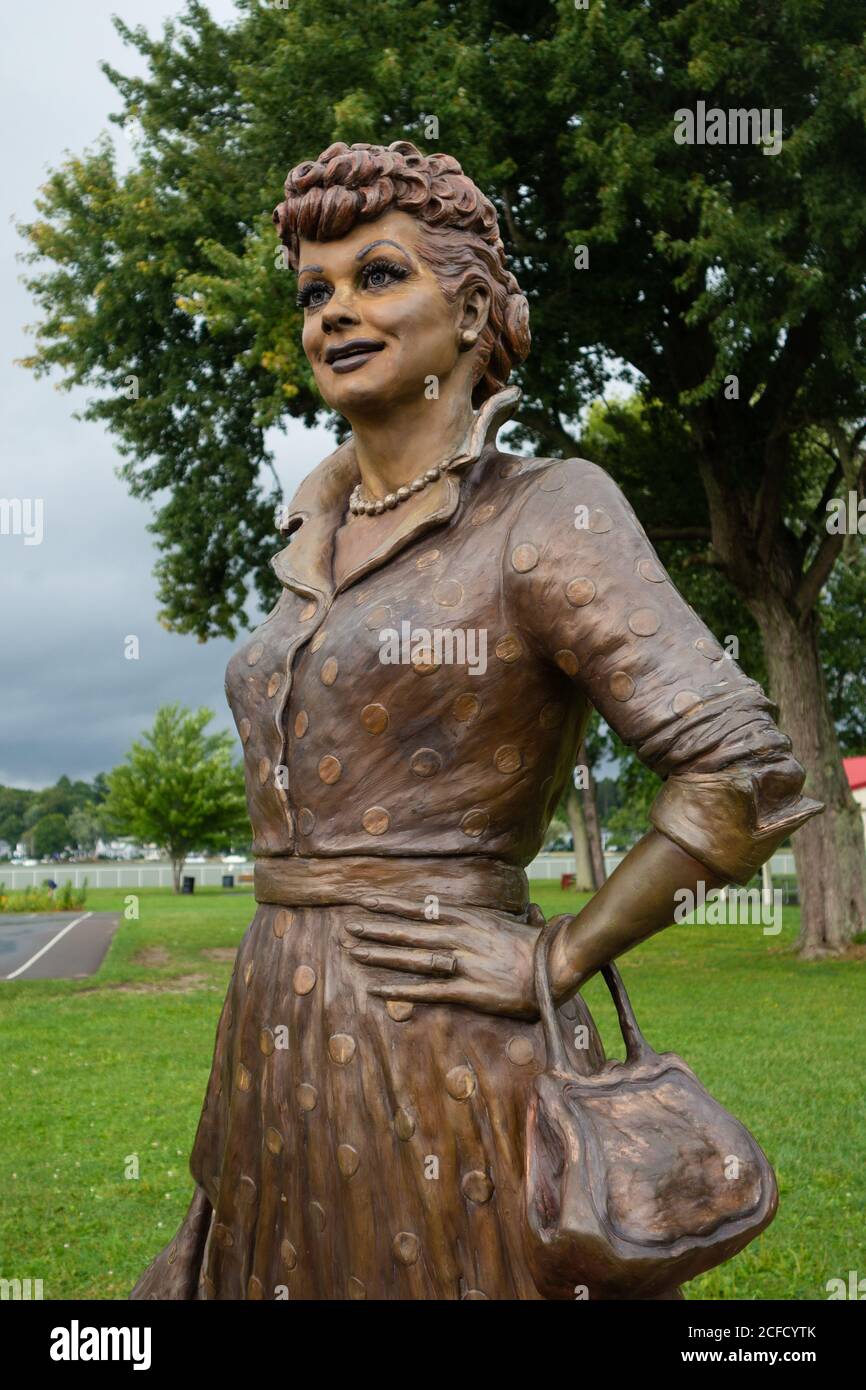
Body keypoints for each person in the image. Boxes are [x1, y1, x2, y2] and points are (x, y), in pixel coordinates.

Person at [130, 141, 820, 1301]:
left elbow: (742, 775)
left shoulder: (546, 512)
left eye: (378, 275)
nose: (336, 310)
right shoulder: (308, 530)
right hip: (271, 1038)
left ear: (473, 310)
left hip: (441, 1048)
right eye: (315, 290)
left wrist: (559, 952)